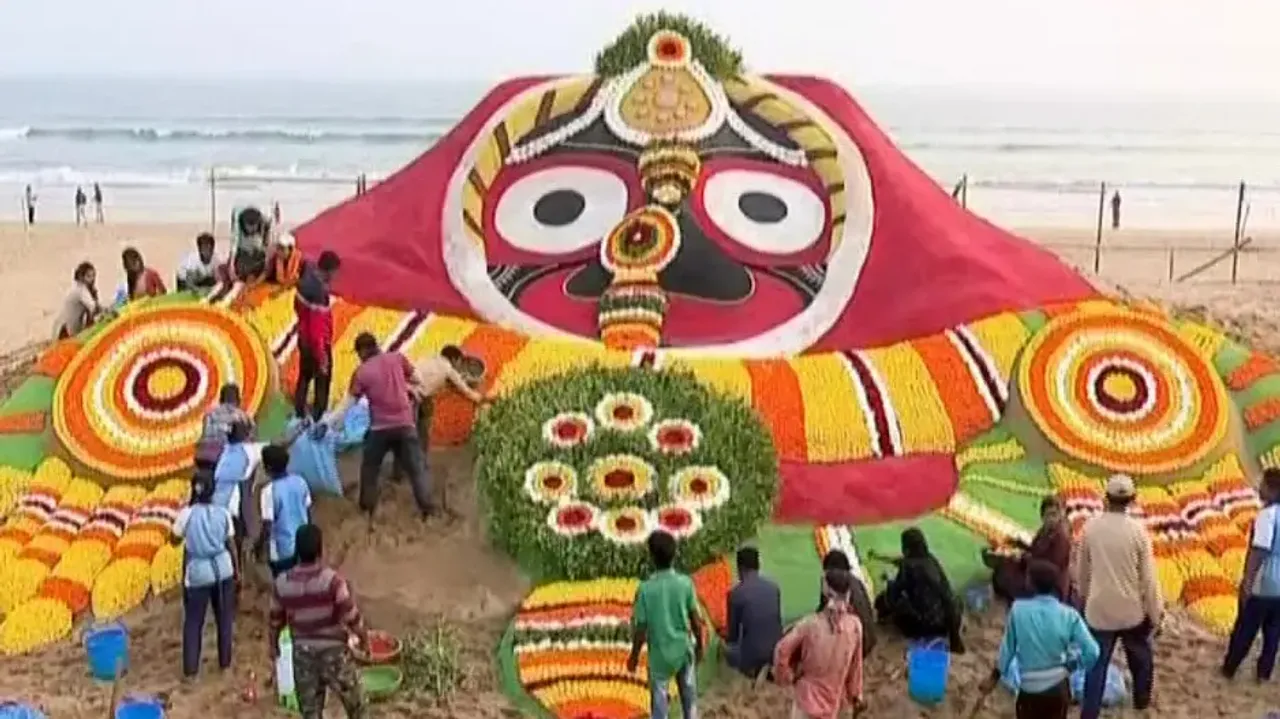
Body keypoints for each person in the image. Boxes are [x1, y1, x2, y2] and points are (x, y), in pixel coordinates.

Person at [324, 333, 436, 522]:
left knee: (370, 468)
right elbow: (417, 378)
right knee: (416, 468)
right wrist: (403, 386)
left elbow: (347, 405)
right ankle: (428, 509)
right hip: (405, 424)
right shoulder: (397, 358)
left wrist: (328, 424)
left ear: (362, 351)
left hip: (380, 429)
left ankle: (367, 507)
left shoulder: (361, 372)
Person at [1076, 474, 1162, 719]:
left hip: (1099, 611)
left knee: (1096, 665)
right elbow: (1149, 580)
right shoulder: (1138, 533)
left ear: (1106, 499)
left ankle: (1089, 713)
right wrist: (1156, 615)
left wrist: (1084, 601)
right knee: (1141, 658)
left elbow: (1081, 574)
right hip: (1131, 613)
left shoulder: (1090, 529)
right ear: (1132, 501)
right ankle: (1142, 702)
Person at [269, 524, 368, 719]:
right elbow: (351, 615)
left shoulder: (282, 583)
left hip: (303, 655)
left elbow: (275, 621)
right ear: (320, 549)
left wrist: (274, 647)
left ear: (296, 550)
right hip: (334, 655)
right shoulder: (333, 581)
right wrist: (364, 639)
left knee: (310, 712)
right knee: (358, 706)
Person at [979, 561, 1099, 719]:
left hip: (1030, 690)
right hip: (1058, 689)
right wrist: (1073, 665)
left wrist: (993, 679)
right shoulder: (1069, 615)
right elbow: (1093, 652)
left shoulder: (1018, 610)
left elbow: (1007, 651)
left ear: (1030, 583)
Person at [626, 530, 703, 719]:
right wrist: (699, 645)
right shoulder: (685, 584)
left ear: (651, 557)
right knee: (689, 698)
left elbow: (641, 629)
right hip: (683, 651)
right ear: (674, 554)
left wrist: (634, 656)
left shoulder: (645, 590)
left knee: (659, 707)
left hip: (659, 656)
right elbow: (695, 620)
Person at [773, 569, 866, 719]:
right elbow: (856, 668)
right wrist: (856, 695)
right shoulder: (855, 626)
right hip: (834, 705)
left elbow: (782, 650)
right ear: (848, 594)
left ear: (826, 591)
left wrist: (785, 677)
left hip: (806, 702)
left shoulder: (810, 625)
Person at [172, 470, 238, 680]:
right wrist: (237, 571)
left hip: (199, 573)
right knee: (224, 620)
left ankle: (191, 673)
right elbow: (231, 545)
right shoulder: (223, 512)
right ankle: (225, 665)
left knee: (193, 622)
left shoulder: (187, 514)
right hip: (223, 569)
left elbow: (173, 540)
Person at [1221, 467, 1280, 681]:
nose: (1259, 487)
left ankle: (1230, 668)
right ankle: (1264, 673)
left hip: (1265, 582)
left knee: (1246, 627)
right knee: (1273, 632)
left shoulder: (1267, 515)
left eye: (1263, 484)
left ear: (1273, 490)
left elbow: (1260, 550)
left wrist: (1247, 581)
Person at [872, 528, 965, 653]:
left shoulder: (908, 566)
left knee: (883, 600)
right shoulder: (931, 560)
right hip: (945, 624)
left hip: (923, 628)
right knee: (954, 598)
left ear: (906, 548)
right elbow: (947, 596)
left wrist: (888, 580)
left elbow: (894, 595)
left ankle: (882, 622)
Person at [984, 497, 1072, 605]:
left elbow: (1053, 569)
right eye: (1048, 515)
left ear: (1060, 515)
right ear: (1042, 516)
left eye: (1054, 515)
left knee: (1007, 574)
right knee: (1005, 567)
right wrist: (1019, 544)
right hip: (1035, 571)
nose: (1051, 519)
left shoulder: (1061, 537)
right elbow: (1036, 551)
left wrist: (1025, 559)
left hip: (1049, 585)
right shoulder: (1045, 530)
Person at [294, 251, 342, 422]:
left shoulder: (307, 278)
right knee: (322, 381)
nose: (335, 276)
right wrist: (322, 358)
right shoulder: (318, 293)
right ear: (329, 270)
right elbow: (317, 330)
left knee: (304, 376)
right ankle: (317, 418)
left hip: (303, 337)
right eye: (335, 272)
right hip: (315, 343)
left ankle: (298, 413)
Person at [254, 444, 312, 578]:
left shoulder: (268, 491)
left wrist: (259, 546)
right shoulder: (300, 481)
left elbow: (267, 525)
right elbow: (308, 512)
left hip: (282, 551)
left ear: (267, 468)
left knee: (284, 586)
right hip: (302, 545)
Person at [725, 546, 782, 680]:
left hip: (751, 655)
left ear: (740, 568)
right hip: (776, 651)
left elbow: (732, 636)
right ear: (758, 565)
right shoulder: (774, 588)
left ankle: (750, 670)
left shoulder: (736, 594)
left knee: (727, 651)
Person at [408, 345, 487, 439]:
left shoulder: (430, 359)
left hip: (403, 386)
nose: (460, 365)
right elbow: (468, 393)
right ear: (454, 359)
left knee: (427, 407)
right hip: (412, 396)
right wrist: (486, 399)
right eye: (460, 361)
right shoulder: (449, 370)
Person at [817, 550, 876, 656]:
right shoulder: (856, 581)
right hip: (868, 639)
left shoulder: (829, 579)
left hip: (855, 644)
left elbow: (823, 610)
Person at [194, 384, 256, 471]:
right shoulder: (243, 416)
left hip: (203, 457)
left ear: (220, 400)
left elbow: (206, 434)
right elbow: (250, 440)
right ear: (238, 400)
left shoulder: (209, 414)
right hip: (225, 460)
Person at [53, 261, 102, 340]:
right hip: (66, 332)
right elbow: (94, 308)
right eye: (89, 276)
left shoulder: (79, 287)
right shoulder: (81, 290)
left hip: (62, 327)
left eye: (93, 276)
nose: (92, 279)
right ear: (81, 277)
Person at [228, 206, 271, 283]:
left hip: (257, 256)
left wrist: (267, 265)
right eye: (249, 226)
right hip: (243, 256)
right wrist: (231, 267)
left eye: (254, 226)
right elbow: (233, 247)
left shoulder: (264, 226)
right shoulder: (238, 228)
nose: (252, 229)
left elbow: (267, 247)